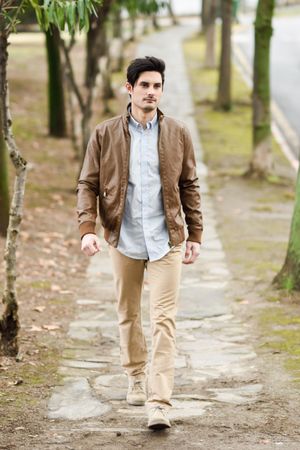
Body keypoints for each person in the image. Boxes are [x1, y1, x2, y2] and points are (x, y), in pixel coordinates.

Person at [76, 56, 203, 430]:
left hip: (167, 239)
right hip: (124, 236)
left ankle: (158, 402)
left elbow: (189, 185)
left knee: (164, 320)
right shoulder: (105, 133)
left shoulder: (178, 133)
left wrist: (195, 234)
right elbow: (88, 183)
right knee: (128, 313)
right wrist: (87, 228)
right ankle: (134, 374)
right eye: (144, 85)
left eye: (157, 86)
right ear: (128, 88)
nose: (151, 92)